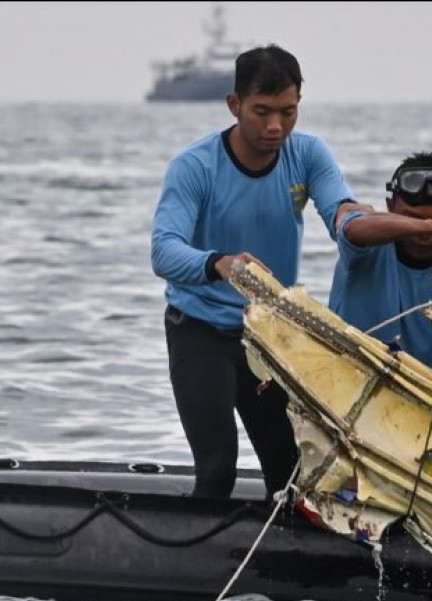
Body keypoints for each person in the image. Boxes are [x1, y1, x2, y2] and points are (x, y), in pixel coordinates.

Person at [150, 44, 367, 500]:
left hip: (268, 336)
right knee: (217, 470)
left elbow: (341, 214)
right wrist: (219, 263)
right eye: (262, 112)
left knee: (292, 478)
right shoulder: (194, 166)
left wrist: (395, 225)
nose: (275, 127)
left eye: (288, 112)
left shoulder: (307, 154)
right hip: (200, 331)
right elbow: (163, 252)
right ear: (235, 105)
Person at [328, 152, 432, 368]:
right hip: (347, 372)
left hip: (423, 385)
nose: (426, 233)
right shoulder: (366, 245)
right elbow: (350, 228)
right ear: (390, 206)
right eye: (412, 217)